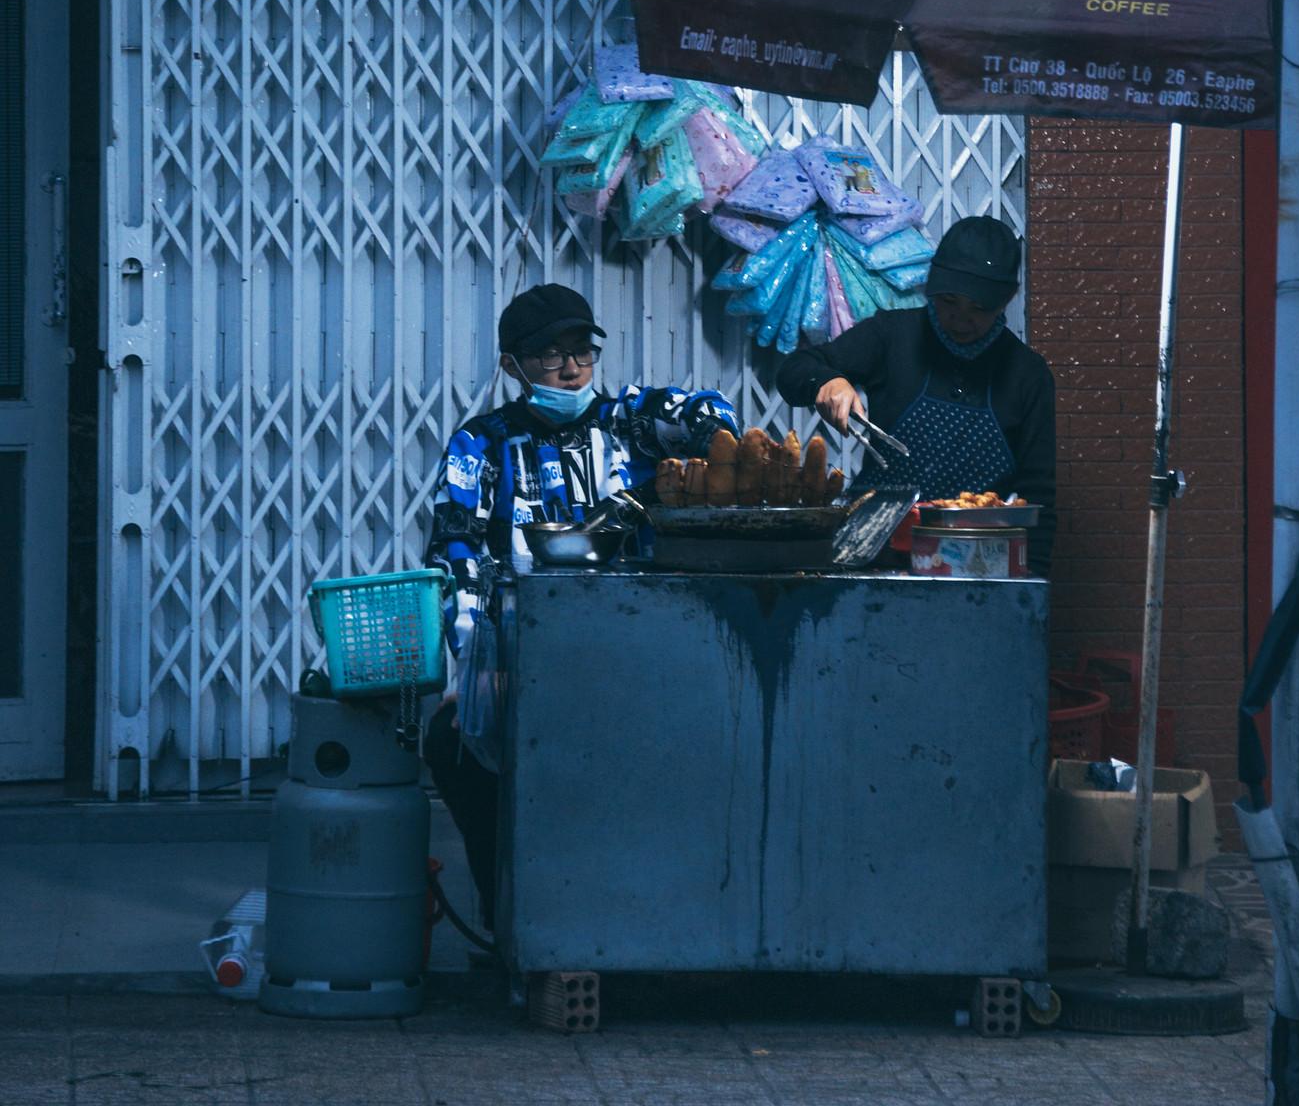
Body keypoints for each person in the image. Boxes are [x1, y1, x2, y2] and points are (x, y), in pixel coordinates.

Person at [423, 281, 736, 929]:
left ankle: (655, 916)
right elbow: (456, 556)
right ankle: (509, 918)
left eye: (580, 351)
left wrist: (712, 435)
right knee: (452, 745)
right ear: (512, 366)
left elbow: (708, 413)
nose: (569, 367)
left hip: (636, 648)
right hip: (525, 652)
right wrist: (473, 670)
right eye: (547, 355)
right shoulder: (481, 443)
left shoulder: (628, 420)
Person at [774, 216, 1056, 573]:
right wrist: (826, 381)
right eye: (949, 301)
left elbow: (1040, 495)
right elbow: (793, 370)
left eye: (979, 309)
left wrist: (1034, 588)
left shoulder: (1028, 375)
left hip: (977, 564)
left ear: (1007, 299)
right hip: (872, 554)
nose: (959, 319)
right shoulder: (892, 336)